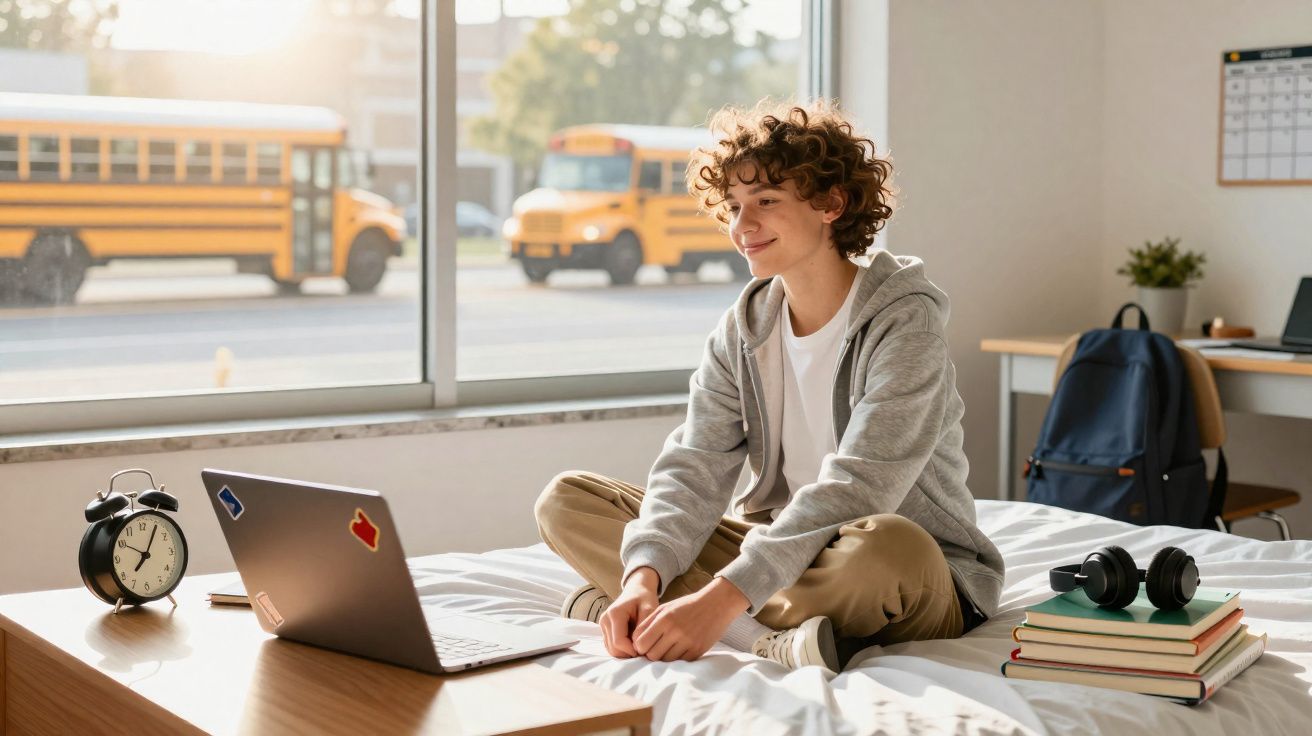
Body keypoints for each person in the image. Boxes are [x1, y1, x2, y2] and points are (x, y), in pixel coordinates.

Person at [534, 99, 1004, 674]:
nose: (741, 226)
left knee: (887, 544)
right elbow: (694, 465)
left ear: (832, 203)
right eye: (733, 206)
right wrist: (641, 576)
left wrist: (721, 596)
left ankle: (710, 621)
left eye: (766, 202)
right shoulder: (743, 329)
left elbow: (863, 484)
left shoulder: (906, 323)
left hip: (912, 569)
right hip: (780, 552)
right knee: (568, 499)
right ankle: (741, 630)